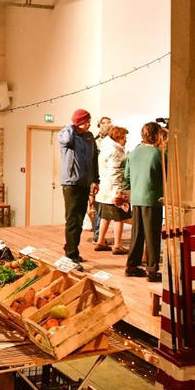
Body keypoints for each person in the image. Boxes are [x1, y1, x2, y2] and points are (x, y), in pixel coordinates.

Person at [58, 108, 99, 269]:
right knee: (72, 220)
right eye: (86, 121)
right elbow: (66, 140)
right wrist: (72, 126)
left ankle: (72, 248)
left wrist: (95, 180)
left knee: (80, 220)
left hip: (84, 183)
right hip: (70, 183)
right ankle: (70, 254)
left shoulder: (89, 137)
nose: (89, 124)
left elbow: (94, 158)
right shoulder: (67, 134)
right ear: (78, 122)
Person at [123, 122, 163, 282]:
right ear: (156, 135)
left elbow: (126, 177)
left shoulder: (133, 153)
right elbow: (168, 174)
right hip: (152, 198)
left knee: (137, 233)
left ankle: (131, 266)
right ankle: (152, 270)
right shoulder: (158, 154)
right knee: (152, 235)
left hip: (137, 197)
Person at [95, 126, 130, 254]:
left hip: (105, 189)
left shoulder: (105, 148)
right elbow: (115, 172)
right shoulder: (115, 152)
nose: (125, 141)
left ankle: (100, 241)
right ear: (118, 138)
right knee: (119, 217)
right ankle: (117, 245)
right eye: (124, 138)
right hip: (113, 189)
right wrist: (119, 191)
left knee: (105, 217)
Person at [92, 117, 112, 243]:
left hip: (109, 175)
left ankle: (100, 235)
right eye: (104, 123)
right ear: (99, 125)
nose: (107, 125)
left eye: (109, 122)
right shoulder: (95, 141)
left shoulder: (112, 140)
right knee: (98, 206)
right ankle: (98, 234)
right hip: (98, 176)